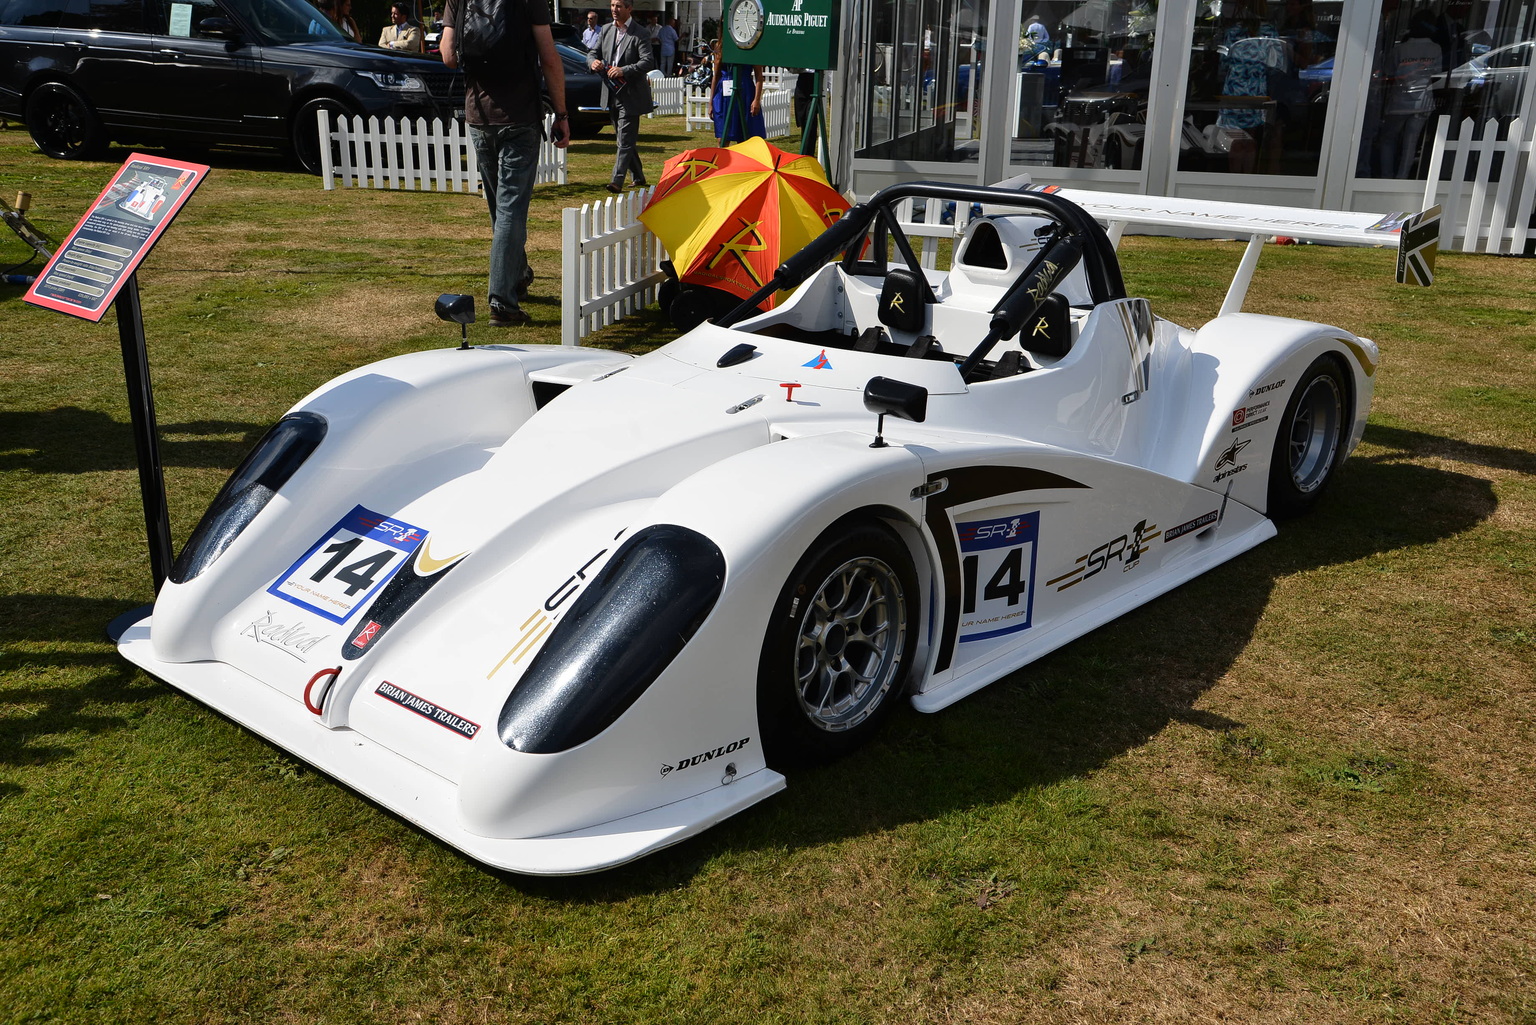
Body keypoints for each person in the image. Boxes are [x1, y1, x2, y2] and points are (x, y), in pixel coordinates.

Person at [441, 0, 570, 326]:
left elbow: (447, 55)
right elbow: (550, 59)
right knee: (511, 210)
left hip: (479, 117)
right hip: (520, 117)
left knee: (500, 208)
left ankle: (518, 274)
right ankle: (501, 303)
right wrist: (562, 114)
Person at [587, 0, 654, 192]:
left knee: (624, 139)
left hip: (631, 94)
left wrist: (624, 70)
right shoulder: (606, 30)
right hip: (611, 92)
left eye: (619, 6)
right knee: (624, 138)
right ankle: (639, 176)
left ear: (629, 8)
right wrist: (593, 63)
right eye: (612, 5)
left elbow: (648, 61)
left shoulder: (640, 32)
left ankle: (617, 180)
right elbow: (593, 52)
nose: (614, 10)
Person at [710, 35, 764, 144]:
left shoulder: (751, 45)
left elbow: (759, 76)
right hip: (724, 93)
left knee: (744, 135)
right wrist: (711, 102)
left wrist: (756, 99)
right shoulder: (720, 46)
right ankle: (723, 160)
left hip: (745, 91)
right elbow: (716, 75)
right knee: (722, 136)